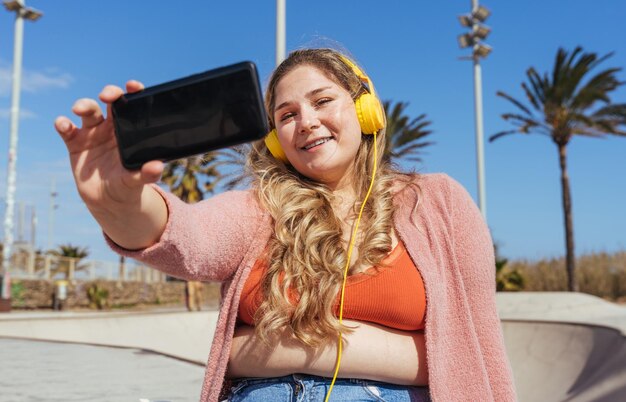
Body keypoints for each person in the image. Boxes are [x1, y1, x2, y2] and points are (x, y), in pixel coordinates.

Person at [54, 48, 517, 402]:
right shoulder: (260, 208)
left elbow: (475, 347)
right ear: (275, 140)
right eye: (287, 115)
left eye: (322, 101)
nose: (306, 123)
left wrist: (281, 346)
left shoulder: (439, 202)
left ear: (365, 109)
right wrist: (119, 202)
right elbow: (187, 238)